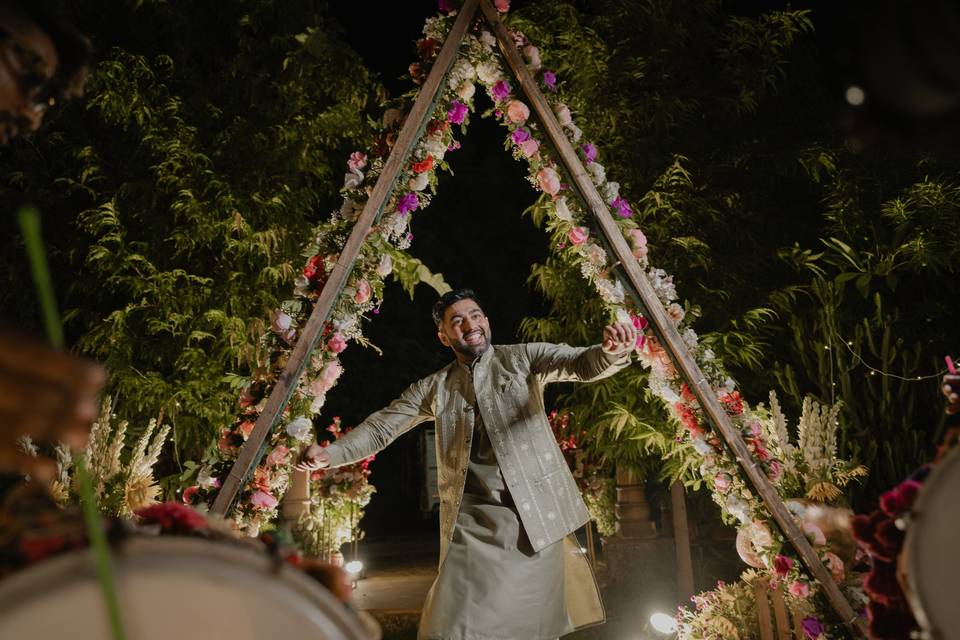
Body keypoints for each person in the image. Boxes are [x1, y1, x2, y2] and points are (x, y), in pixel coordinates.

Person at [298, 288, 638, 640]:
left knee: (529, 631)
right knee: (449, 629)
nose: (470, 324)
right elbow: (383, 426)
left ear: (487, 322)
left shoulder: (522, 358)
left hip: (534, 524)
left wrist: (610, 352)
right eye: (457, 320)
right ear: (444, 335)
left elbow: (579, 362)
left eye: (475, 315)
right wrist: (332, 454)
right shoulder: (436, 387)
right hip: (470, 528)